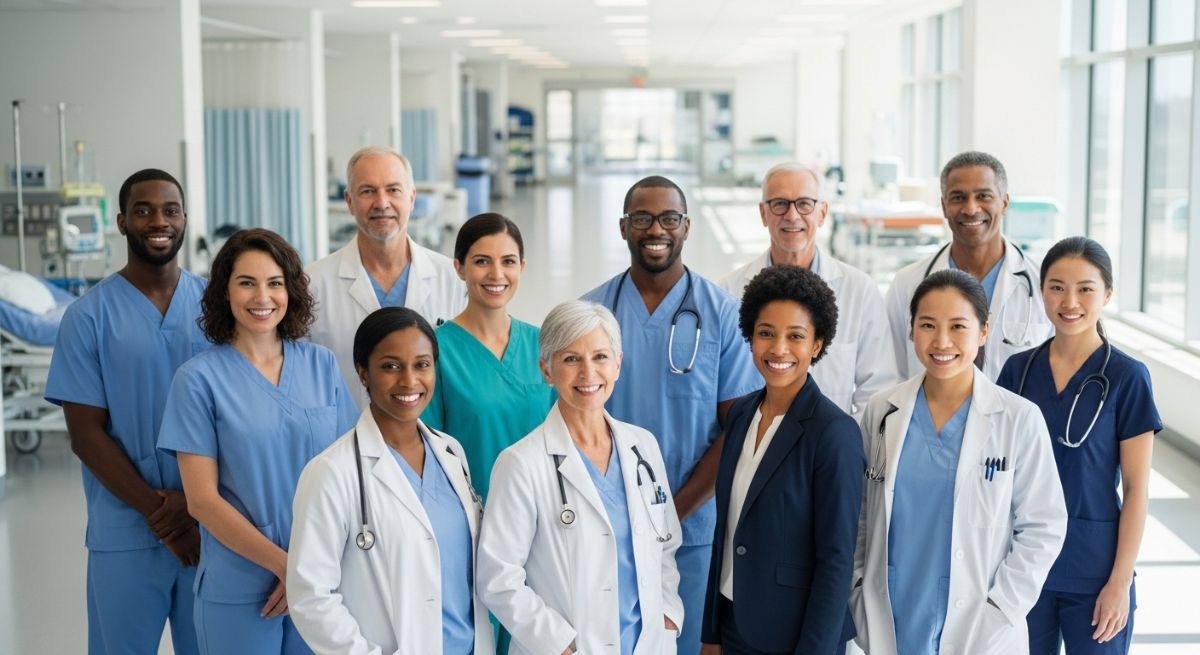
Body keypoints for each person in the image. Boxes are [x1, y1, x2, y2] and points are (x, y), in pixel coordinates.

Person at [582, 175, 760, 655]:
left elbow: (737, 428)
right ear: (624, 227)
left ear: (686, 227)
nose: (655, 229)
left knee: (686, 641)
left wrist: (670, 515)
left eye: (668, 218)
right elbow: (574, 421)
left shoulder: (722, 313)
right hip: (607, 524)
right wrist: (629, 518)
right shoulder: (591, 313)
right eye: (642, 218)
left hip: (692, 529)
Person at [158, 228, 358, 654]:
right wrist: (287, 567)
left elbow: (350, 473)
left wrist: (309, 572)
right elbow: (202, 501)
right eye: (247, 283)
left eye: (275, 283)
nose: (262, 297)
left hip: (322, 581)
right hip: (240, 586)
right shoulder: (197, 380)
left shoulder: (321, 365)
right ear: (225, 292)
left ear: (290, 291)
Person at [852, 269, 1067, 655]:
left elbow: (1043, 526)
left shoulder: (1018, 418)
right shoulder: (882, 411)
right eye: (928, 325)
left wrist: (1002, 607)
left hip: (982, 625)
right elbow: (862, 514)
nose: (941, 341)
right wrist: (856, 590)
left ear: (983, 332)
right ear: (911, 330)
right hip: (891, 614)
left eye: (958, 326)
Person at [45, 168, 207, 655]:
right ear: (121, 222)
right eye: (143, 211)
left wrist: (197, 509)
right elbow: (86, 435)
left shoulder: (216, 307)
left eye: (170, 210)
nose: (159, 221)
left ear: (184, 219)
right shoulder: (87, 317)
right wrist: (165, 516)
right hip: (126, 530)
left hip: (211, 523)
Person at [478, 300, 684, 655]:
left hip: (648, 644)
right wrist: (559, 645)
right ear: (546, 370)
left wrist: (667, 618)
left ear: (618, 364)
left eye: (600, 357)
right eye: (571, 359)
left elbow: (665, 546)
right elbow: (498, 577)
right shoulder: (521, 463)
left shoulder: (642, 447)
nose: (588, 373)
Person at [288, 307, 495, 655]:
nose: (409, 381)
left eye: (421, 365)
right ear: (363, 373)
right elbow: (310, 596)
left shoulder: (451, 453)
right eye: (391, 366)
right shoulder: (331, 472)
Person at [997, 237, 1162, 655]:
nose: (1069, 302)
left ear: (1107, 294)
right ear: (1042, 291)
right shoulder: (1018, 372)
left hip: (1095, 572)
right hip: (1023, 565)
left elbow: (1137, 490)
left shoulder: (1127, 377)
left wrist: (1119, 583)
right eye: (1057, 287)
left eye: (1085, 288)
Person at [702, 265, 864, 655]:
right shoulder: (741, 415)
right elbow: (727, 529)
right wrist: (712, 633)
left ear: (817, 344)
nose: (778, 349)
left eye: (795, 336)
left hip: (796, 637)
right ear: (750, 336)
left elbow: (836, 561)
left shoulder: (834, 433)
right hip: (733, 624)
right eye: (766, 333)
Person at [720, 162, 897, 419]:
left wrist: (844, 438)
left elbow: (877, 389)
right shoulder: (728, 293)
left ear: (822, 213)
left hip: (832, 441)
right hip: (754, 439)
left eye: (804, 204)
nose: (792, 216)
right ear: (763, 213)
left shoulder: (859, 290)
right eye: (780, 203)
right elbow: (722, 388)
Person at [307, 145, 466, 407]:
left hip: (430, 429)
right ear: (349, 201)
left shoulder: (453, 280)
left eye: (393, 190)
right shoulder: (313, 285)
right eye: (368, 191)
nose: (382, 203)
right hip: (346, 429)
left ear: (411, 198)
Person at [884, 151, 1053, 381]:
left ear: (1004, 203)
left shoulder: (1043, 284)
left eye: (984, 196)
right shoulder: (907, 284)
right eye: (958, 197)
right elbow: (891, 375)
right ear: (944, 206)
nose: (971, 209)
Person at [421, 212, 556, 500]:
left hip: (544, 507)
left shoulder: (543, 343)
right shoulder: (435, 352)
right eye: (482, 261)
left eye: (508, 261)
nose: (497, 274)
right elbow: (428, 450)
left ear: (521, 267)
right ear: (459, 268)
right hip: (473, 510)